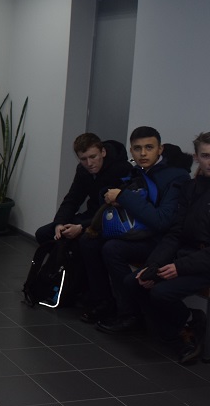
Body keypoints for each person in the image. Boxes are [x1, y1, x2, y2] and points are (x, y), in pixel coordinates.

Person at [79, 126, 191, 329]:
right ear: (131, 150)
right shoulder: (137, 171)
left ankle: (130, 314)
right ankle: (104, 302)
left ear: (160, 149)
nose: (143, 153)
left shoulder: (177, 177)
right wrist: (112, 197)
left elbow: (161, 221)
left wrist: (124, 197)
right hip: (138, 232)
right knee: (89, 240)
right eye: (138, 148)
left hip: (162, 242)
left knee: (112, 248)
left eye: (149, 147)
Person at [120, 132, 210, 364]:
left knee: (162, 292)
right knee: (136, 281)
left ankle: (185, 334)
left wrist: (179, 267)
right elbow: (175, 234)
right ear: (197, 157)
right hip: (187, 256)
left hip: (204, 263)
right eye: (206, 156)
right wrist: (153, 265)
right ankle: (185, 323)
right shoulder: (190, 187)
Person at [34, 133, 131, 244]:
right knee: (43, 233)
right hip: (90, 216)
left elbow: (117, 208)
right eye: (83, 159)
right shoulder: (82, 170)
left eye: (93, 157)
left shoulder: (122, 169)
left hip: (111, 219)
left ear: (103, 152)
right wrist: (59, 223)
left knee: (85, 241)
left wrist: (81, 226)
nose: (89, 163)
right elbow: (72, 199)